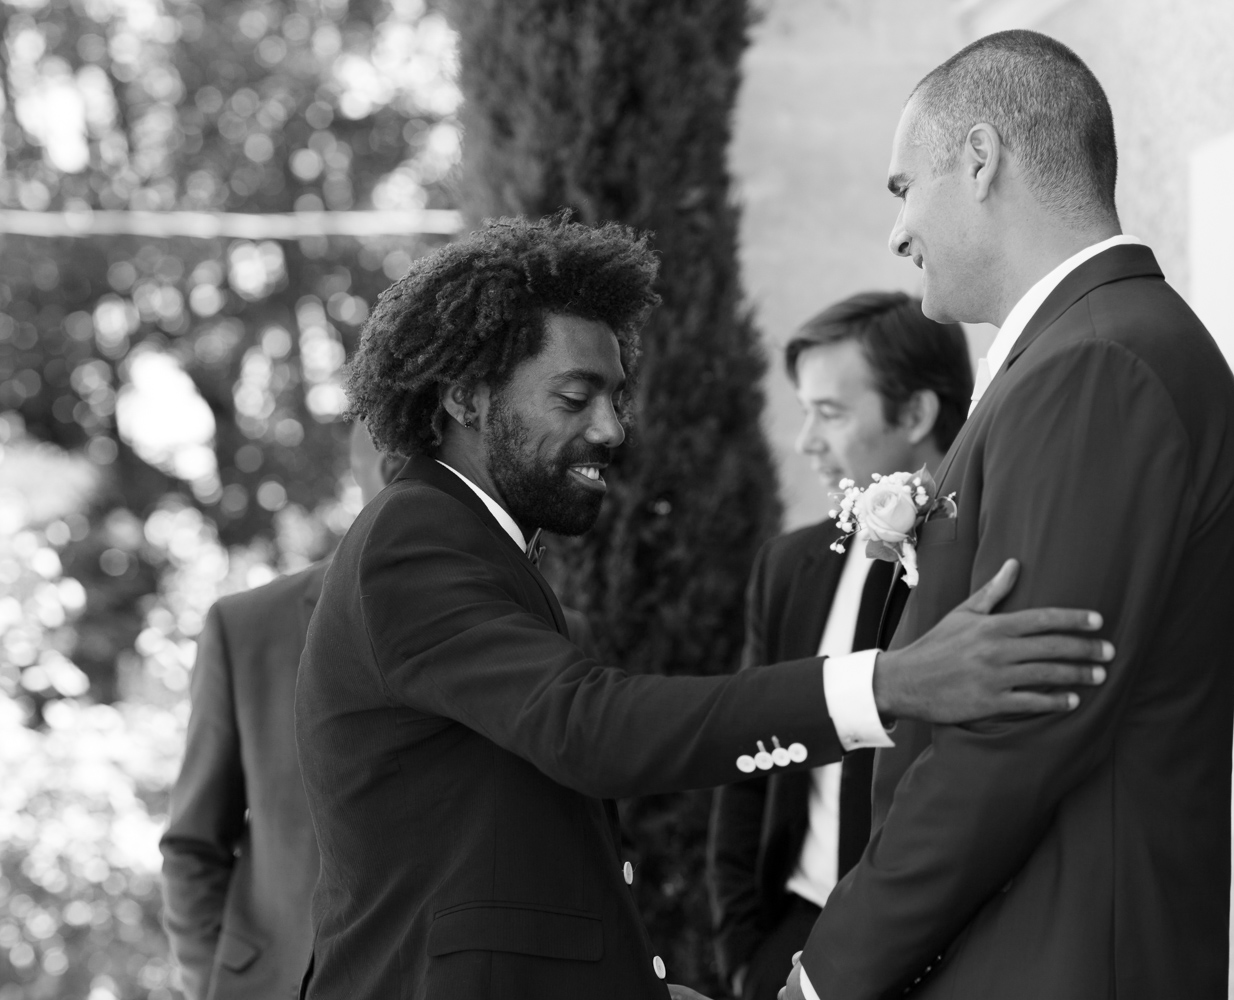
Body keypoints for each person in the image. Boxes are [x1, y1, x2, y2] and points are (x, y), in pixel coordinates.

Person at [293, 215, 1115, 1000]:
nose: (613, 429)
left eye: (617, 397)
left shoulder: (472, 537)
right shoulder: (413, 539)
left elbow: (502, 850)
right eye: (575, 397)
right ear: (467, 397)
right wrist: (889, 683)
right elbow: (589, 729)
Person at [786, 31, 1234, 1000]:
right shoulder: (1088, 348)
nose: (897, 233)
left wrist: (827, 976)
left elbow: (1010, 736)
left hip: (1059, 956)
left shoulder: (1097, 366)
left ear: (980, 159)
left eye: (902, 189)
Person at [707, 291, 972, 1000]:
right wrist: (746, 954)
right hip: (790, 941)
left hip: (943, 959)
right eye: (805, 411)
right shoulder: (787, 567)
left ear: (915, 414)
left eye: (830, 412)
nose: (805, 442)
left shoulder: (981, 560)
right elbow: (746, 754)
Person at [159, 421, 400, 1000]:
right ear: (373, 468)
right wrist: (211, 983)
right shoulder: (247, 628)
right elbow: (194, 844)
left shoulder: (535, 635)